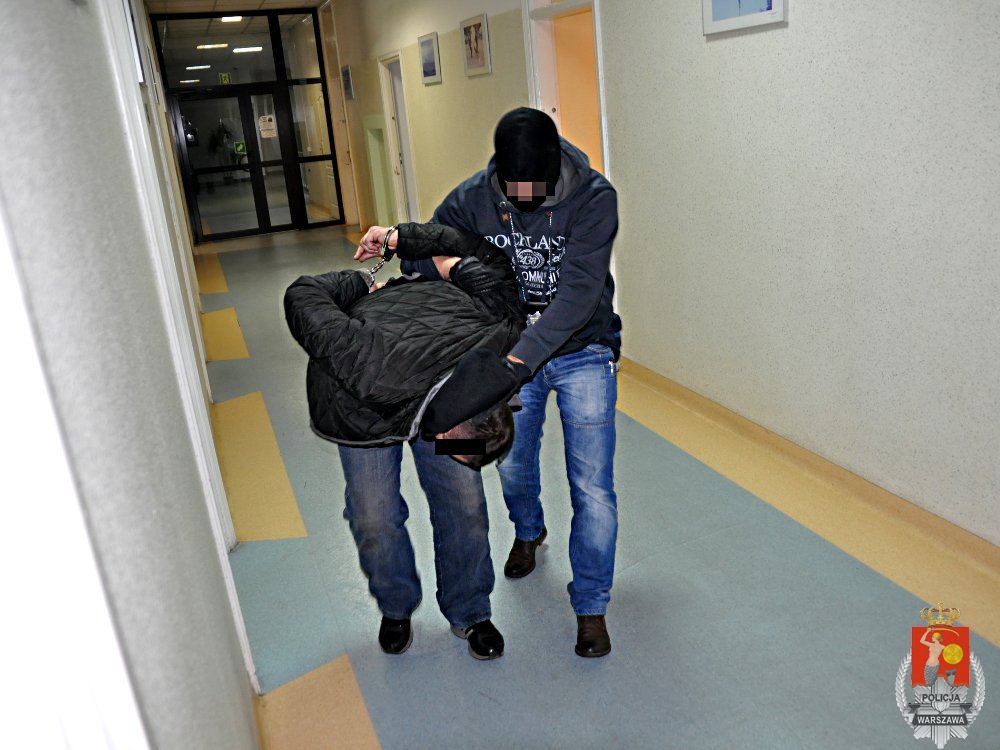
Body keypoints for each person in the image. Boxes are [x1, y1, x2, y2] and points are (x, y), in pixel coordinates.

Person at [357, 107, 622, 658]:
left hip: (582, 348)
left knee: (592, 486)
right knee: (510, 464)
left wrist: (515, 364)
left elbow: (577, 296)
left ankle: (591, 605)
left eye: (535, 190)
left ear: (555, 169)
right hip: (506, 349)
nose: (523, 199)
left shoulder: (595, 198)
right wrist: (402, 249)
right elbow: (431, 252)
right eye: (512, 188)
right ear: (498, 170)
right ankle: (528, 530)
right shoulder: (473, 198)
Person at [284, 222, 525, 660]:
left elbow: (475, 250)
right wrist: (360, 283)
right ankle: (396, 605)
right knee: (373, 514)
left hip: (439, 364)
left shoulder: (501, 328)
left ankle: (470, 609)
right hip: (365, 412)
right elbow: (303, 294)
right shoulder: (364, 360)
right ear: (446, 432)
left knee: (465, 503)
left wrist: (419, 248)